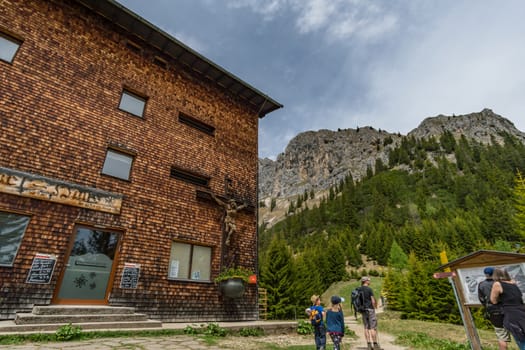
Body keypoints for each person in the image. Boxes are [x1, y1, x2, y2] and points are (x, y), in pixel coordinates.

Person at [490, 268, 525, 350]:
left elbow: (493, 300)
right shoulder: (513, 283)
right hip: (521, 311)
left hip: (512, 314)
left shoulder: (497, 284)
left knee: (520, 339)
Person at [478, 267, 511, 350]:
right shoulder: (499, 283)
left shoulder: (481, 284)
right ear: (494, 273)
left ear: (485, 274)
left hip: (493, 311)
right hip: (506, 309)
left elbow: (481, 299)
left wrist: (487, 306)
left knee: (501, 336)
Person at [360, 276, 381, 350]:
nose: (370, 281)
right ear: (366, 281)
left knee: (366, 327)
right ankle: (375, 345)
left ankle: (368, 345)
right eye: (369, 280)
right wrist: (375, 307)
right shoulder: (369, 289)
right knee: (372, 327)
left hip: (363, 310)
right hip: (370, 309)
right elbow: (373, 300)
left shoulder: (359, 289)